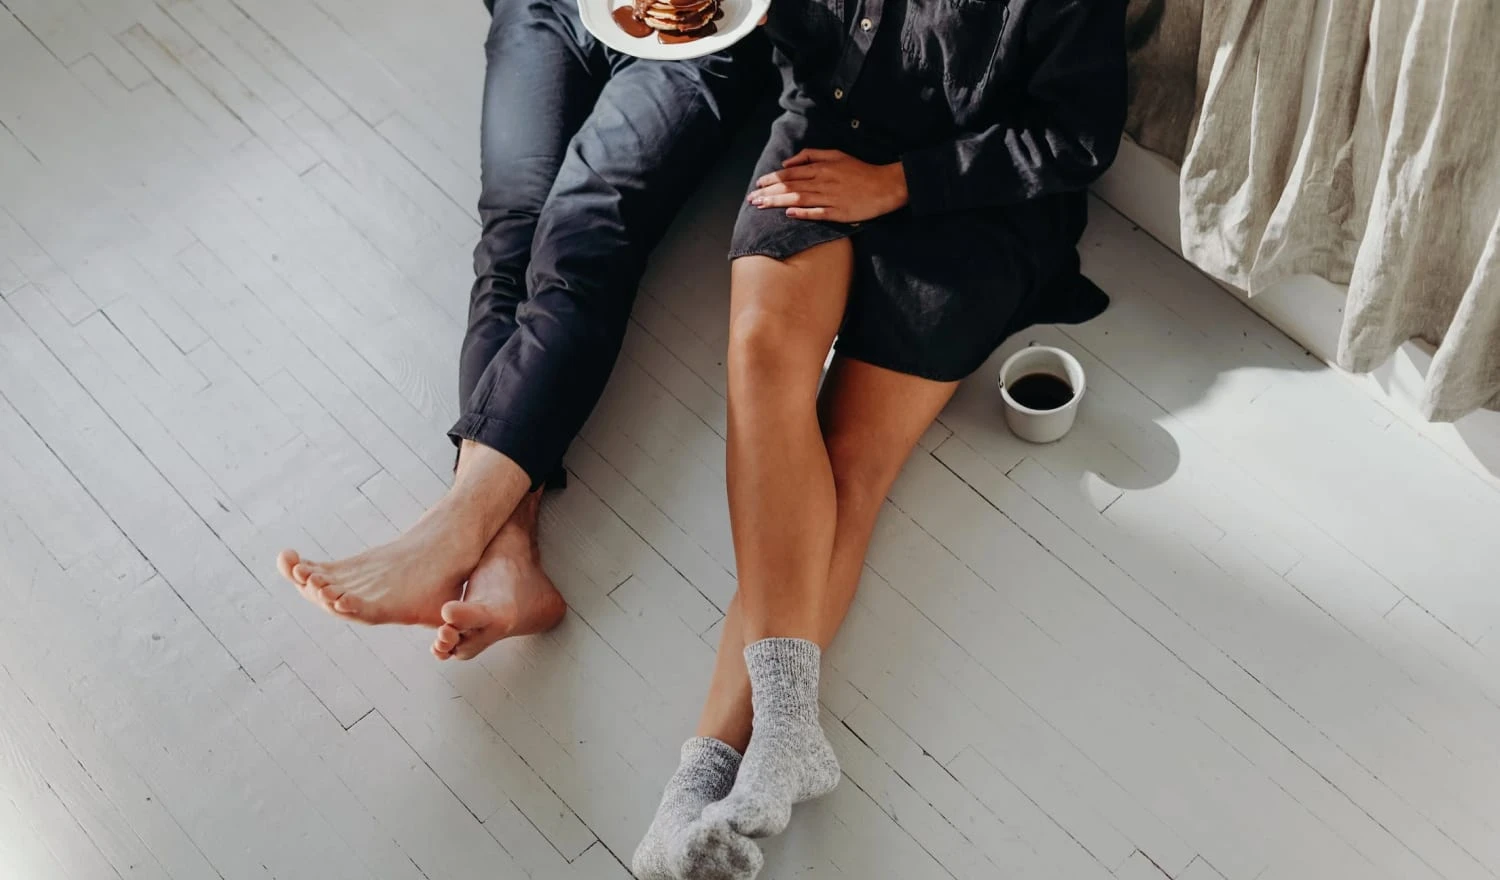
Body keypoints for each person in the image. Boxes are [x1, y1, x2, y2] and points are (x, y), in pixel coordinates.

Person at [632, 0, 1127, 877]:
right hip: (829, 134)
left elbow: (1077, 139)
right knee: (759, 360)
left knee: (848, 463)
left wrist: (903, 181)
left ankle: (709, 780)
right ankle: (753, 753)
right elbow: (805, 39)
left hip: (971, 199)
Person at [275, 0, 766, 661]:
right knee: (512, 234)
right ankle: (507, 558)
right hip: (552, 8)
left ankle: (452, 528)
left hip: (704, 38)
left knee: (580, 238)